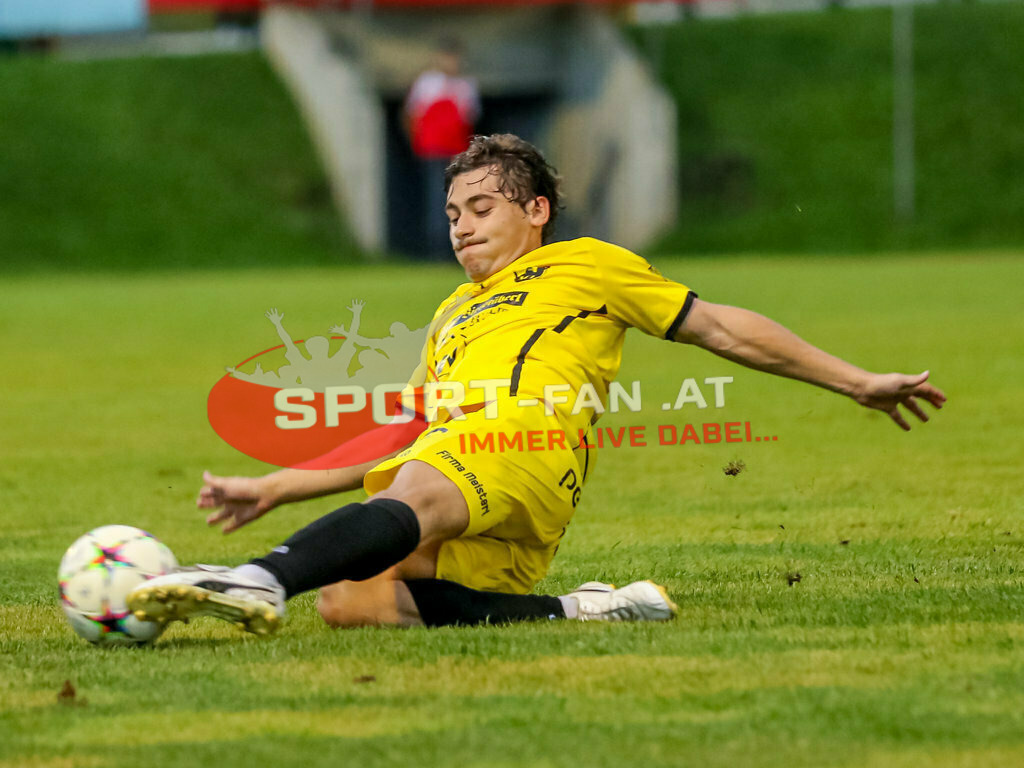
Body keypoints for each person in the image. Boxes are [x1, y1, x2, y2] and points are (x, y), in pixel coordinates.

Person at [128, 134, 946, 634]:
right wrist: (278, 483)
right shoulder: (451, 314)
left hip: (528, 446)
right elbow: (405, 434)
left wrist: (856, 381)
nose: (463, 226)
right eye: (452, 214)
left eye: (482, 207)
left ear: (539, 211)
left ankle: (255, 580)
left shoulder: (588, 265)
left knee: (418, 489)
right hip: (461, 467)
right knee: (354, 603)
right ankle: (589, 610)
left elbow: (721, 326)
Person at [403, 37, 481, 260]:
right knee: (435, 199)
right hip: (432, 150)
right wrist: (416, 144)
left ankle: (458, 246)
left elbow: (469, 120)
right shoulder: (427, 83)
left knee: (458, 200)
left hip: (456, 153)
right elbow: (412, 116)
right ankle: (435, 248)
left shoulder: (466, 85)